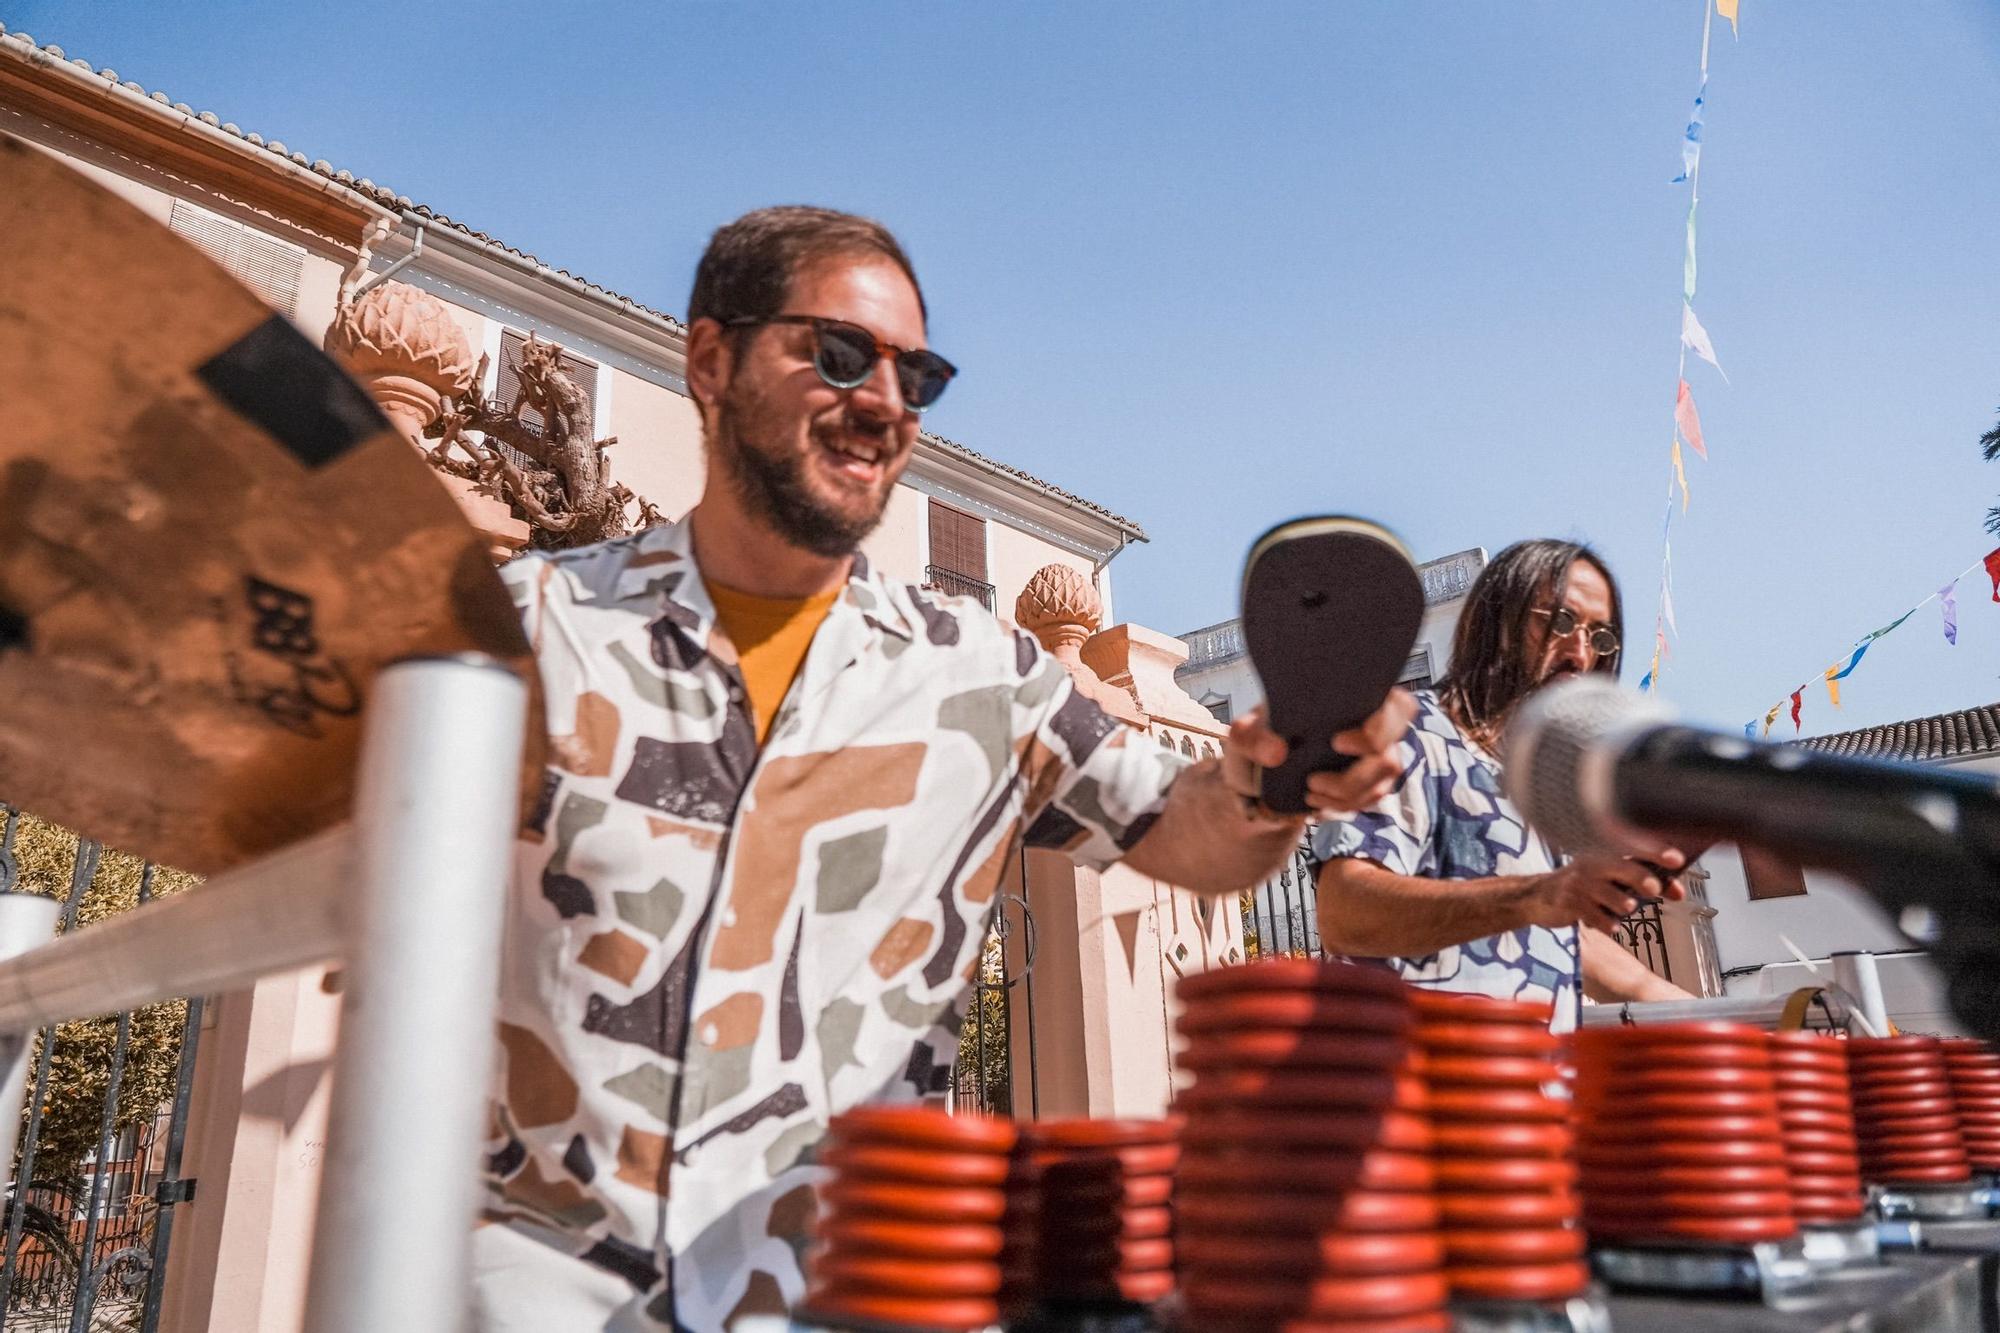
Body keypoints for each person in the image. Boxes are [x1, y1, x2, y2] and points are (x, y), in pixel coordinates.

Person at [472, 205, 1414, 1330]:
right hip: (544, 1294)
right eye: (837, 354)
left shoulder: (981, 672)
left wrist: (1272, 778)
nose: (883, 402)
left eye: (915, 376)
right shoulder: (523, 630)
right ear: (711, 362)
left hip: (861, 1294)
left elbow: (1183, 831)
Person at [1312, 539, 1694, 1034]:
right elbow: (1345, 913)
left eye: (1600, 639)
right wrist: (1536, 893)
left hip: (1535, 1101)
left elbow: (1563, 936)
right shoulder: (1400, 732)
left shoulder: (1540, 785)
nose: (1580, 655)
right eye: (1559, 622)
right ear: (1494, 623)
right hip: (1418, 1096)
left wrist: (1738, 1020)